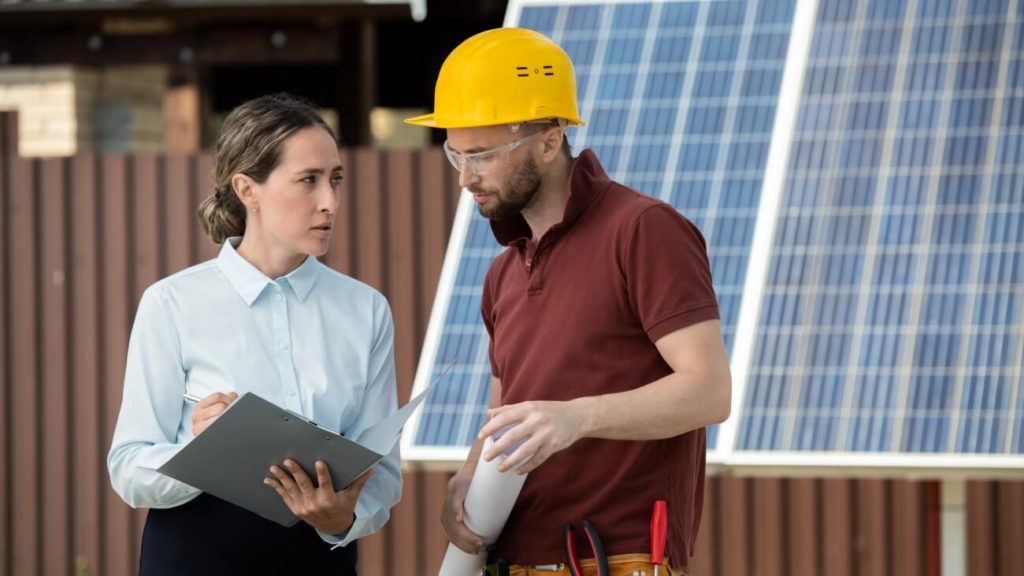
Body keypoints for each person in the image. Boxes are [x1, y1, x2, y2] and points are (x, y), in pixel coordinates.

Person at [406, 28, 731, 575]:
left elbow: (709, 392)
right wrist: (468, 475)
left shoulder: (643, 230)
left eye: (482, 155)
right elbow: (507, 409)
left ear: (550, 141)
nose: (465, 178)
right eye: (454, 155)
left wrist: (576, 418)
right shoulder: (503, 271)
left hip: (620, 559)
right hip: (513, 559)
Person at [107, 93, 402, 576]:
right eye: (308, 180)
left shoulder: (366, 310)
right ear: (248, 189)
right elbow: (128, 467)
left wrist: (343, 517)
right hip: (194, 559)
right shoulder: (173, 303)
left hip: (318, 561)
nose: (329, 201)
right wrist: (200, 455)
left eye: (335, 180)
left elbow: (385, 473)